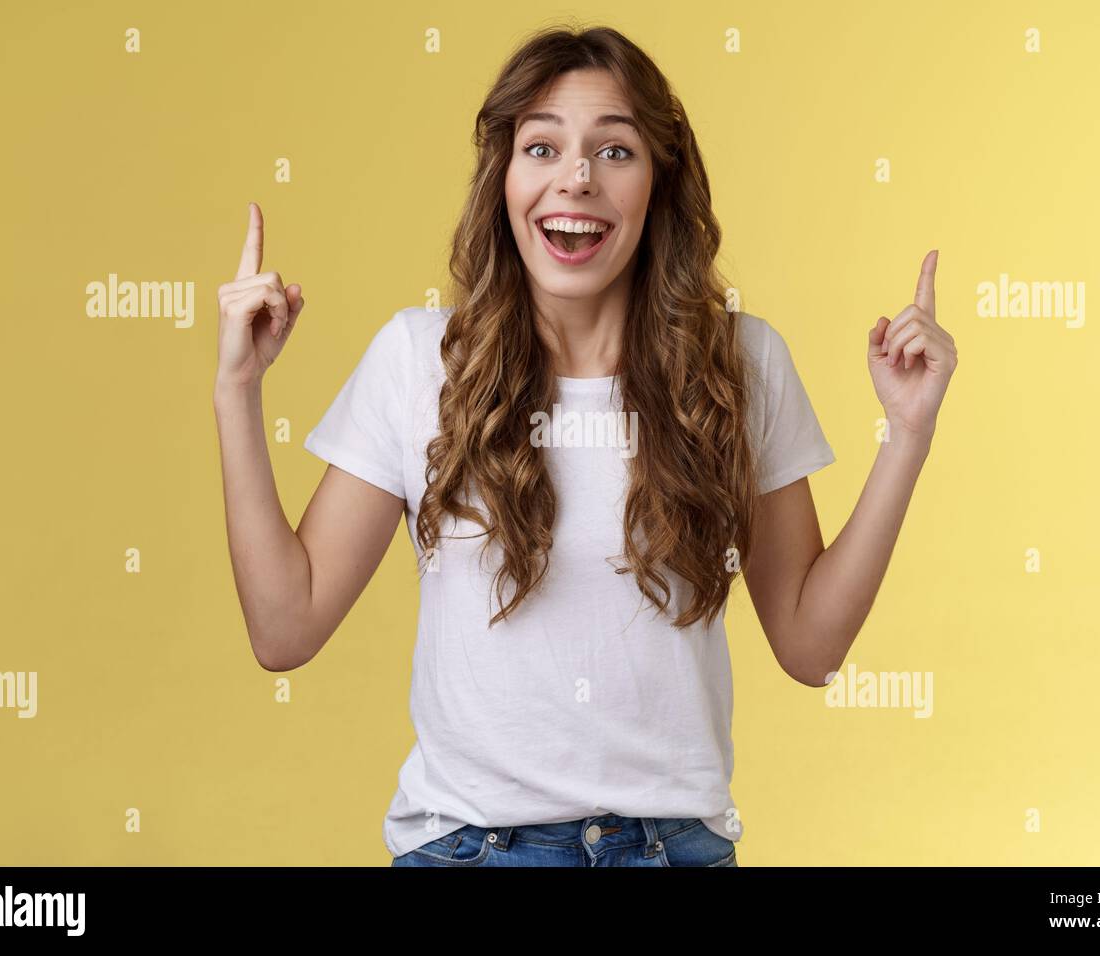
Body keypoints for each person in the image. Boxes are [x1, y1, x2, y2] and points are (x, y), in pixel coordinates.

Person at [212, 25, 958, 868]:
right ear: (503, 178)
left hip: (674, 849)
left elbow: (810, 648)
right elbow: (284, 629)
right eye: (542, 146)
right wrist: (238, 392)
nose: (576, 177)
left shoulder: (740, 366)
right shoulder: (420, 360)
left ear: (658, 183)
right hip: (469, 849)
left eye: (615, 150)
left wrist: (907, 434)